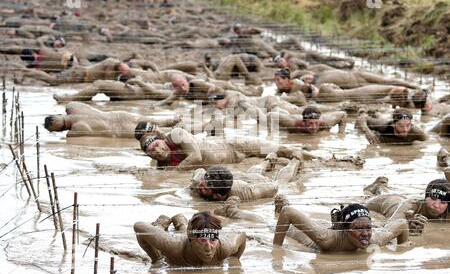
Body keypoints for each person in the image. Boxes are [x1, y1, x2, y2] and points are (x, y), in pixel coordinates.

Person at [137, 126, 316, 170]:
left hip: (233, 146)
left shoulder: (176, 134)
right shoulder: (162, 165)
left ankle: (318, 158)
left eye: (158, 145)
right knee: (278, 162)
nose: (158, 151)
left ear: (161, 139)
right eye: (153, 152)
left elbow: (196, 157)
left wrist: (170, 174)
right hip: (232, 164)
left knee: (283, 150)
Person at [273, 202, 409, 252]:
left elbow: (402, 223)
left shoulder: (375, 240)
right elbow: (287, 212)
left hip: (323, 224)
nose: (366, 234)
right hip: (304, 233)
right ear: (345, 229)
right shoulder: (326, 239)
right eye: (359, 229)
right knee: (271, 224)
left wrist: (403, 248)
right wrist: (276, 250)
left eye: (368, 227)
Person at [134, 211, 246, 265]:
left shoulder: (225, 247)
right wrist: (156, 258)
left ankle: (180, 219)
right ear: (191, 239)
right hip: (183, 240)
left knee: (187, 231)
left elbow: (242, 234)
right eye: (202, 240)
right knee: (171, 233)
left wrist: (234, 260)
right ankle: (162, 222)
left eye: (212, 240)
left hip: (191, 235)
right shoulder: (174, 246)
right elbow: (139, 227)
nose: (208, 248)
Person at [189, 152, 301, 202]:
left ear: (217, 196)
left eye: (205, 188)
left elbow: (274, 187)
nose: (200, 185)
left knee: (279, 182)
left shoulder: (245, 193)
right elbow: (199, 170)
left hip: (246, 185)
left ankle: (295, 161)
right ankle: (268, 161)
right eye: (203, 181)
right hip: (235, 176)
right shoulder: (199, 181)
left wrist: (276, 184)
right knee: (250, 174)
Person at [365, 178, 450, 235]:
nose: (436, 205)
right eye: (433, 198)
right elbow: (389, 226)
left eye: (442, 202)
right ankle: (378, 186)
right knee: (368, 199)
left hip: (399, 199)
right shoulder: (411, 205)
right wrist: (407, 225)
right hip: (386, 202)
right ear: (425, 197)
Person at [44, 102, 180, 138]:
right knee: (145, 120)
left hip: (119, 130)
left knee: (151, 131)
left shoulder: (77, 129)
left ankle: (176, 131)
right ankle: (169, 120)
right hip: (117, 115)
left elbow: (71, 138)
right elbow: (72, 104)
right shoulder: (73, 107)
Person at [355, 108, 427, 144]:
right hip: (383, 121)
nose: (405, 129)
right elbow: (362, 117)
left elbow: (429, 142)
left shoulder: (416, 131)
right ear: (393, 124)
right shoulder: (383, 126)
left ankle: (377, 113)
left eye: (408, 125)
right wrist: (367, 131)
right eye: (401, 126)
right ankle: (375, 113)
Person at [269, 105, 347, 134]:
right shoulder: (293, 123)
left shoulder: (326, 122)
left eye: (316, 123)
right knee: (277, 109)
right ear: (304, 122)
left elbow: (343, 114)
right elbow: (270, 115)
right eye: (310, 124)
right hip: (291, 116)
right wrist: (271, 134)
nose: (314, 127)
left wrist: (341, 133)